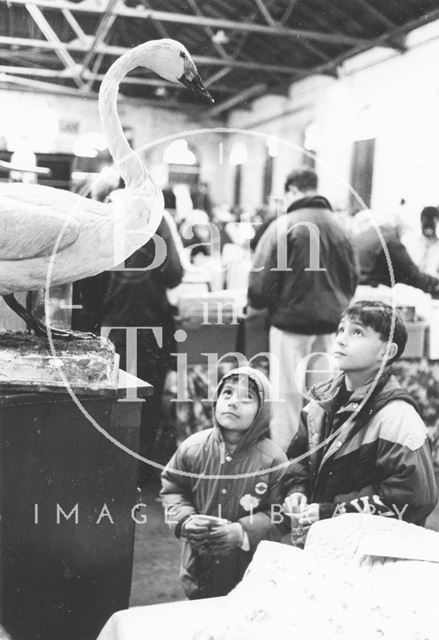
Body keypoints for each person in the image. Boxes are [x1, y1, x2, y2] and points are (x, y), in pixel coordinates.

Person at [282, 300, 438, 532]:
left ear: (386, 352)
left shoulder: (398, 417)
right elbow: (298, 463)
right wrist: (297, 492)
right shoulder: (317, 406)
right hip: (323, 542)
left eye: (357, 332)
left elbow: (414, 499)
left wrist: (332, 512)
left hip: (373, 553)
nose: (341, 339)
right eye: (341, 329)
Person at [247, 168, 358, 451]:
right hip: (331, 328)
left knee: (285, 400)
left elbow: (259, 286)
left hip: (290, 326)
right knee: (323, 400)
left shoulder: (283, 226)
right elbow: (353, 279)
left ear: (292, 191)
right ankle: (317, 465)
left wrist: (272, 304)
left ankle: (283, 469)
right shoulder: (342, 227)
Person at [160, 366, 287, 599]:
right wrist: (184, 520)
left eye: (246, 398)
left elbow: (281, 513)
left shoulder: (274, 460)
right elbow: (173, 488)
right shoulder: (193, 448)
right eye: (227, 393)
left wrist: (242, 531)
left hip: (251, 575)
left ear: (263, 411)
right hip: (199, 568)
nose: (233, 402)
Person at [75, 207, 184, 476]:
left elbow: (88, 287)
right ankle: (141, 471)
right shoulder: (158, 220)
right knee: (147, 400)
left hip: (112, 330)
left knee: (116, 400)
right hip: (152, 327)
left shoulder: (104, 219)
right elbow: (174, 273)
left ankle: (114, 470)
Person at [354, 208, 439, 293]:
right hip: (371, 291)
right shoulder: (390, 241)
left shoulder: (364, 235)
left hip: (356, 288)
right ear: (399, 229)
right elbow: (413, 275)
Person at [404, 206, 439, 277]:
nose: (428, 230)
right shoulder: (411, 243)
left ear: (436, 222)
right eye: (426, 225)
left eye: (431, 225)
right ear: (421, 221)